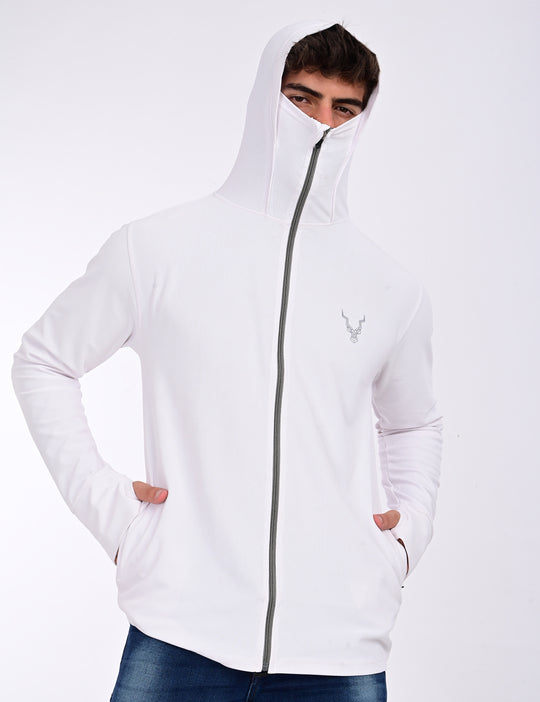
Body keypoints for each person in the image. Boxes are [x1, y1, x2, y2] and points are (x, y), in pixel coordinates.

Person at [11, 20, 443, 702]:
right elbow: (44, 361)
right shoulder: (157, 249)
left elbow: (413, 421)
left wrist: (408, 533)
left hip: (340, 644)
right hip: (179, 632)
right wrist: (110, 511)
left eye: (345, 108)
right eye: (301, 99)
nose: (321, 123)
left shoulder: (391, 287)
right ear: (266, 96)